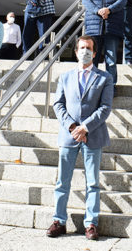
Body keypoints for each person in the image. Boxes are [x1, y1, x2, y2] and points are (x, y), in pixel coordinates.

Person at [46, 36, 113, 241]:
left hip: (93, 135)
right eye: (81, 48)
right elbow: (58, 104)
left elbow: (105, 107)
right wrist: (72, 126)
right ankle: (59, 220)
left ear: (94, 53)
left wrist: (85, 127)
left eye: (89, 48)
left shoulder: (104, 78)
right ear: (76, 52)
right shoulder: (65, 77)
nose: (85, 51)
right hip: (68, 135)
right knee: (62, 181)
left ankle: (91, 223)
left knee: (92, 183)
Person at [82, 0, 127, 87]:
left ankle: (111, 86)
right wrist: (98, 11)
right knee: (91, 59)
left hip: (112, 29)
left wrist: (109, 10)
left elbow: (123, 1)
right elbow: (86, 0)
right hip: (93, 30)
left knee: (111, 60)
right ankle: (90, 85)